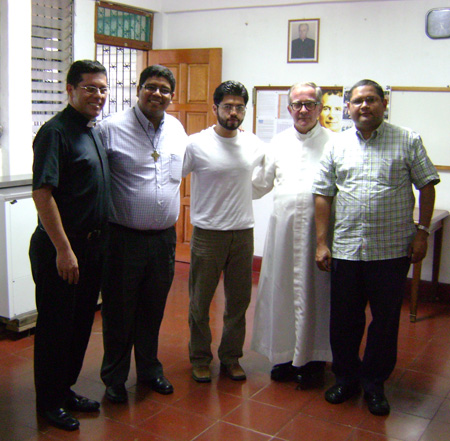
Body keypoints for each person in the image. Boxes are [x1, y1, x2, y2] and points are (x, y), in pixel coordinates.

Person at [312, 79, 439, 416]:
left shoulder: (407, 139)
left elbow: (427, 186)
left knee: (384, 321)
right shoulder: (336, 145)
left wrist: (422, 232)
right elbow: (323, 194)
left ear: (384, 103)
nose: (364, 106)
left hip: (391, 250)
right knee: (344, 320)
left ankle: (374, 383)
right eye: (357, 101)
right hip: (346, 250)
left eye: (371, 100)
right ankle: (346, 379)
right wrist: (323, 242)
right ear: (348, 108)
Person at [98, 65, 187, 403]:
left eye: (165, 89)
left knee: (153, 310)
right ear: (139, 89)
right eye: (151, 87)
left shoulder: (177, 129)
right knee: (119, 311)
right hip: (123, 238)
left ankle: (150, 370)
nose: (158, 94)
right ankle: (115, 378)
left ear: (172, 96)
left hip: (164, 239)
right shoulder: (110, 129)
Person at [29, 60, 110, 431]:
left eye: (103, 89)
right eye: (90, 87)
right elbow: (42, 193)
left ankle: (65, 390)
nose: (98, 95)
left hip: (90, 249)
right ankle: (48, 402)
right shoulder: (55, 132)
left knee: (78, 326)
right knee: (55, 329)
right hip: (62, 250)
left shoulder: (90, 130)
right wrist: (63, 249)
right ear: (71, 89)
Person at [251, 82, 333, 389]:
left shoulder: (335, 143)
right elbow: (259, 184)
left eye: (309, 104)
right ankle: (283, 355)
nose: (302, 110)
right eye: (297, 104)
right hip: (284, 233)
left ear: (320, 108)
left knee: (318, 293)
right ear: (289, 109)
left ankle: (313, 359)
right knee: (281, 290)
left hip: (319, 234)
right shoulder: (278, 142)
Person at [183, 80, 264, 383]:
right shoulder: (196, 143)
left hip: (243, 233)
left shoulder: (254, 143)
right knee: (200, 303)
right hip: (208, 234)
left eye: (239, 107)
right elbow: (171, 175)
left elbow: (266, 174)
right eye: (227, 106)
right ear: (215, 108)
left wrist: (249, 193)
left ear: (245, 109)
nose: (233, 112)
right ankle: (200, 357)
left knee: (238, 303)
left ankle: (231, 357)